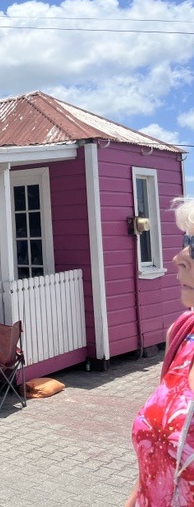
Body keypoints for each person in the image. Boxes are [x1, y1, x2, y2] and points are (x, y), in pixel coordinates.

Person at [127, 197, 194, 506]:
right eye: (186, 241)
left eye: (193, 245)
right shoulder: (182, 334)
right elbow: (154, 469)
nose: (179, 256)